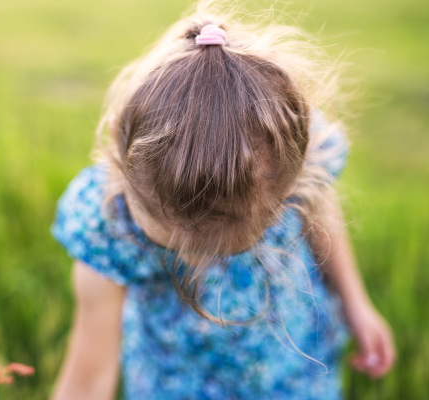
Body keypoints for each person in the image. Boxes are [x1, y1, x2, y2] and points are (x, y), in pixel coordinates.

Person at [49, 3, 395, 399]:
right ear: (118, 145)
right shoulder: (107, 226)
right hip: (175, 382)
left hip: (294, 370)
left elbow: (319, 208)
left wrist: (356, 302)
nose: (199, 263)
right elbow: (86, 383)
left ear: (297, 174)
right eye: (176, 247)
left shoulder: (283, 157)